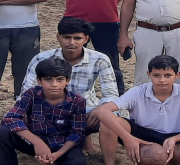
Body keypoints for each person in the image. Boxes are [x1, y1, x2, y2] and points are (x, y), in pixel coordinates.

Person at [92, 55, 180, 165]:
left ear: (177, 75)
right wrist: (128, 138)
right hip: (142, 133)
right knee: (107, 123)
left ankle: (170, 161)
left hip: (174, 135)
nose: (162, 80)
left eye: (167, 75)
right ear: (149, 74)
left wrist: (174, 139)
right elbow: (102, 110)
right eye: (156, 75)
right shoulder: (138, 91)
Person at [0, 57, 88, 165]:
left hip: (60, 143)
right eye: (48, 79)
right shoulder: (31, 94)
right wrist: (37, 142)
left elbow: (77, 133)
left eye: (60, 79)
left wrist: (58, 154)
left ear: (67, 81)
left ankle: (55, 163)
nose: (54, 84)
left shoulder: (77, 101)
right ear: (39, 81)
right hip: (32, 141)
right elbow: (10, 118)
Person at [20, 17, 119, 153]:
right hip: (49, 110)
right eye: (67, 37)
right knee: (18, 117)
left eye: (77, 38)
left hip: (87, 110)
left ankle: (106, 156)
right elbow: (27, 91)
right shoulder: (41, 58)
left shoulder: (100, 59)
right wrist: (24, 110)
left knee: (110, 117)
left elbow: (111, 94)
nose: (72, 42)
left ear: (86, 39)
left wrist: (101, 110)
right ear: (58, 37)